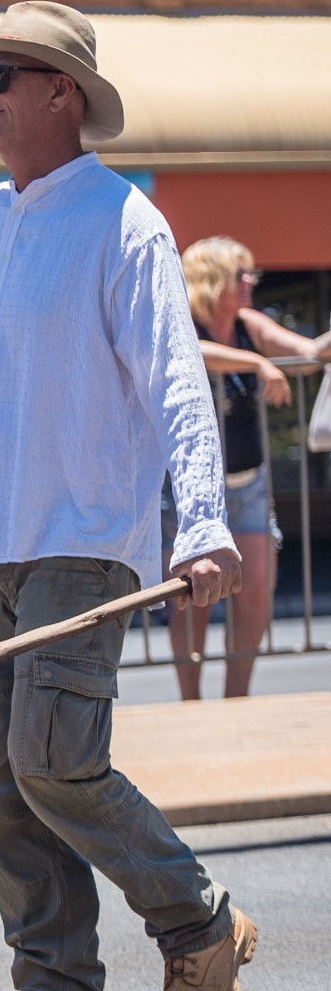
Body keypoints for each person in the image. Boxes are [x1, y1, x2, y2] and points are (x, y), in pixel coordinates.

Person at [0, 2, 253, 991]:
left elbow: (172, 377)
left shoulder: (122, 219)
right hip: (2, 535)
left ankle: (195, 926)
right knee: (3, 773)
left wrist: (201, 522)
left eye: (2, 74)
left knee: (54, 760)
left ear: (62, 92)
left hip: (84, 532)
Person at [169, 237, 322, 699]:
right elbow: (191, 352)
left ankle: (237, 698)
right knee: (191, 597)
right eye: (241, 274)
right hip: (188, 490)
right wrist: (257, 364)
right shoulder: (184, 321)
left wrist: (315, 350)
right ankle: (190, 702)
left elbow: (308, 354)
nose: (251, 281)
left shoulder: (248, 324)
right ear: (212, 279)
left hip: (249, 481)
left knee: (255, 591)